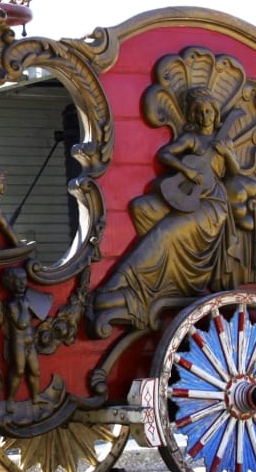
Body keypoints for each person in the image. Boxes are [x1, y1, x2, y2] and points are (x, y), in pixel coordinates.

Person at [92, 87, 242, 332]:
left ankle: (122, 280)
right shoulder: (192, 139)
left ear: (215, 114)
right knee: (142, 209)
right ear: (195, 115)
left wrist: (227, 154)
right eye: (200, 112)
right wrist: (185, 169)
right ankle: (155, 279)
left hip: (212, 205)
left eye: (209, 111)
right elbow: (164, 154)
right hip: (189, 197)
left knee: (165, 232)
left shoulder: (224, 141)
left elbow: (234, 173)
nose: (205, 116)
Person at [0, 266, 41, 405]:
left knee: (35, 371)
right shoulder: (12, 305)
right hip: (19, 343)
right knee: (18, 370)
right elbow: (22, 324)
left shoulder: (27, 300)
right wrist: (24, 308)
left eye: (24, 279)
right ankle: (10, 399)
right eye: (18, 281)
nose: (23, 283)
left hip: (30, 342)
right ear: (11, 283)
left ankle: (35, 397)